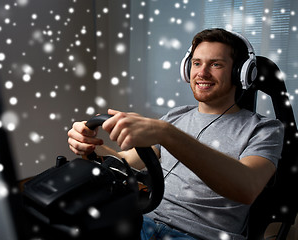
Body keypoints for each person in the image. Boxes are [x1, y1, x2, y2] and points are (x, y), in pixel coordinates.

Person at [67, 28, 284, 240]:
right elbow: (126, 162)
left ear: (240, 72)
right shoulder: (176, 116)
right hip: (142, 221)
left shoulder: (264, 129)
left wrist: (166, 133)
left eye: (216, 64)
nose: (202, 73)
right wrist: (90, 146)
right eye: (197, 63)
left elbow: (247, 188)